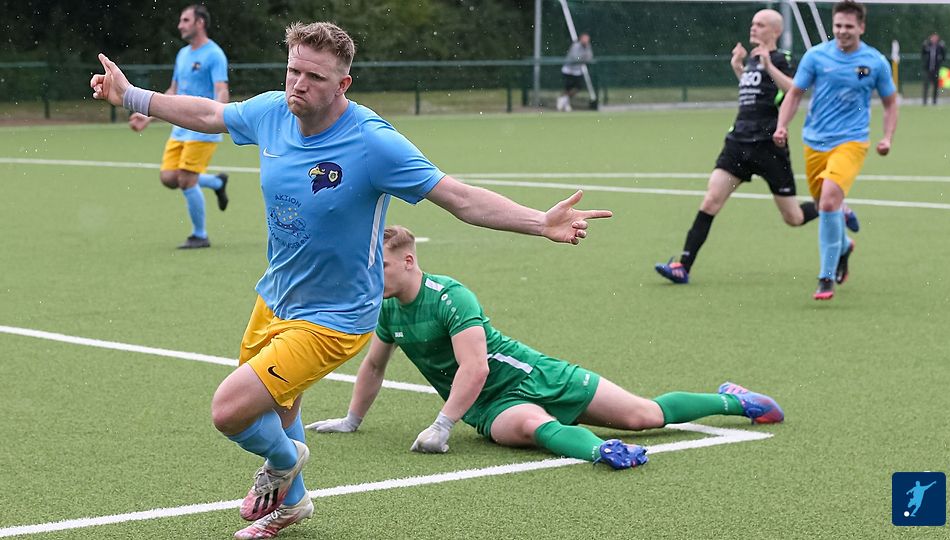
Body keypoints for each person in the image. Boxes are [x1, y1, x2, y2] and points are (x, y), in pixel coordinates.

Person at [91, 21, 612, 540]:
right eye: (293, 71)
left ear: (343, 84)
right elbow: (209, 114)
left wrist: (539, 222)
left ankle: (284, 461)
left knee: (230, 411)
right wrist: (131, 96)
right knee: (280, 403)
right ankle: (293, 505)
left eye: (315, 77)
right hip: (275, 296)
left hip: (336, 317)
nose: (298, 84)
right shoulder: (272, 112)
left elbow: (459, 198)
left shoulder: (372, 142)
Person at [307, 225, 783, 469]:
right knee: (533, 426)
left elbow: (475, 368)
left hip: (532, 373)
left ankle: (732, 400)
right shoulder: (387, 309)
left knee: (645, 416)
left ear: (408, 260)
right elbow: (373, 367)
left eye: (380, 268)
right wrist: (352, 420)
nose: (371, 278)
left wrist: (441, 426)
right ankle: (603, 451)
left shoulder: (450, 296)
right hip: (491, 406)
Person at [654, 9, 859, 285]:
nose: (753, 28)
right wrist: (739, 67)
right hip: (738, 142)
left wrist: (769, 65)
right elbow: (755, 92)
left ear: (775, 31)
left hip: (769, 146)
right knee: (711, 200)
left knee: (794, 217)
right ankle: (683, 266)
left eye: (760, 24)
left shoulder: (782, 59)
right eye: (753, 23)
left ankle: (833, 209)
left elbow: (794, 90)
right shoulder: (753, 59)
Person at [774, 0, 898, 300]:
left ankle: (825, 277)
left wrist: (887, 137)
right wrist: (782, 125)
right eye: (838, 26)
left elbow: (890, 103)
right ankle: (843, 246)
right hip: (815, 141)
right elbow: (795, 93)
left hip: (852, 141)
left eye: (849, 26)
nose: (842, 31)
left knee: (829, 202)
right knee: (824, 206)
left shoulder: (875, 62)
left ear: (861, 27)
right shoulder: (816, 56)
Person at [128, 4, 230, 249]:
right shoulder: (182, 54)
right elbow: (173, 91)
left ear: (200, 23)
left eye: (185, 20)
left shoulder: (214, 54)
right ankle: (216, 183)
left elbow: (222, 90)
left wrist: (220, 117)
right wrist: (147, 115)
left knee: (186, 179)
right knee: (168, 177)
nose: (180, 25)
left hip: (203, 127)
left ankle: (200, 235)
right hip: (180, 128)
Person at [556, 33, 592, 112]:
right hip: (568, 69)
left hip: (577, 71)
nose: (586, 41)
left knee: (578, 87)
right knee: (567, 88)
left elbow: (589, 57)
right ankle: (564, 102)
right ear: (581, 39)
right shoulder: (576, 46)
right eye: (585, 39)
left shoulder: (587, 46)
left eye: (587, 39)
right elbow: (576, 58)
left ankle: (563, 100)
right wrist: (584, 57)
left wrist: (584, 58)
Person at [921, 33, 946, 106]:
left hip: (936, 69)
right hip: (928, 69)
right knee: (926, 85)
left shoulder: (939, 47)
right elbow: (922, 55)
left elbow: (944, 56)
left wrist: (943, 48)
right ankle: (925, 101)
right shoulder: (927, 46)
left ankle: (934, 101)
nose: (934, 39)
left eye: (935, 38)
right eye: (933, 37)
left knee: (936, 85)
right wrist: (924, 46)